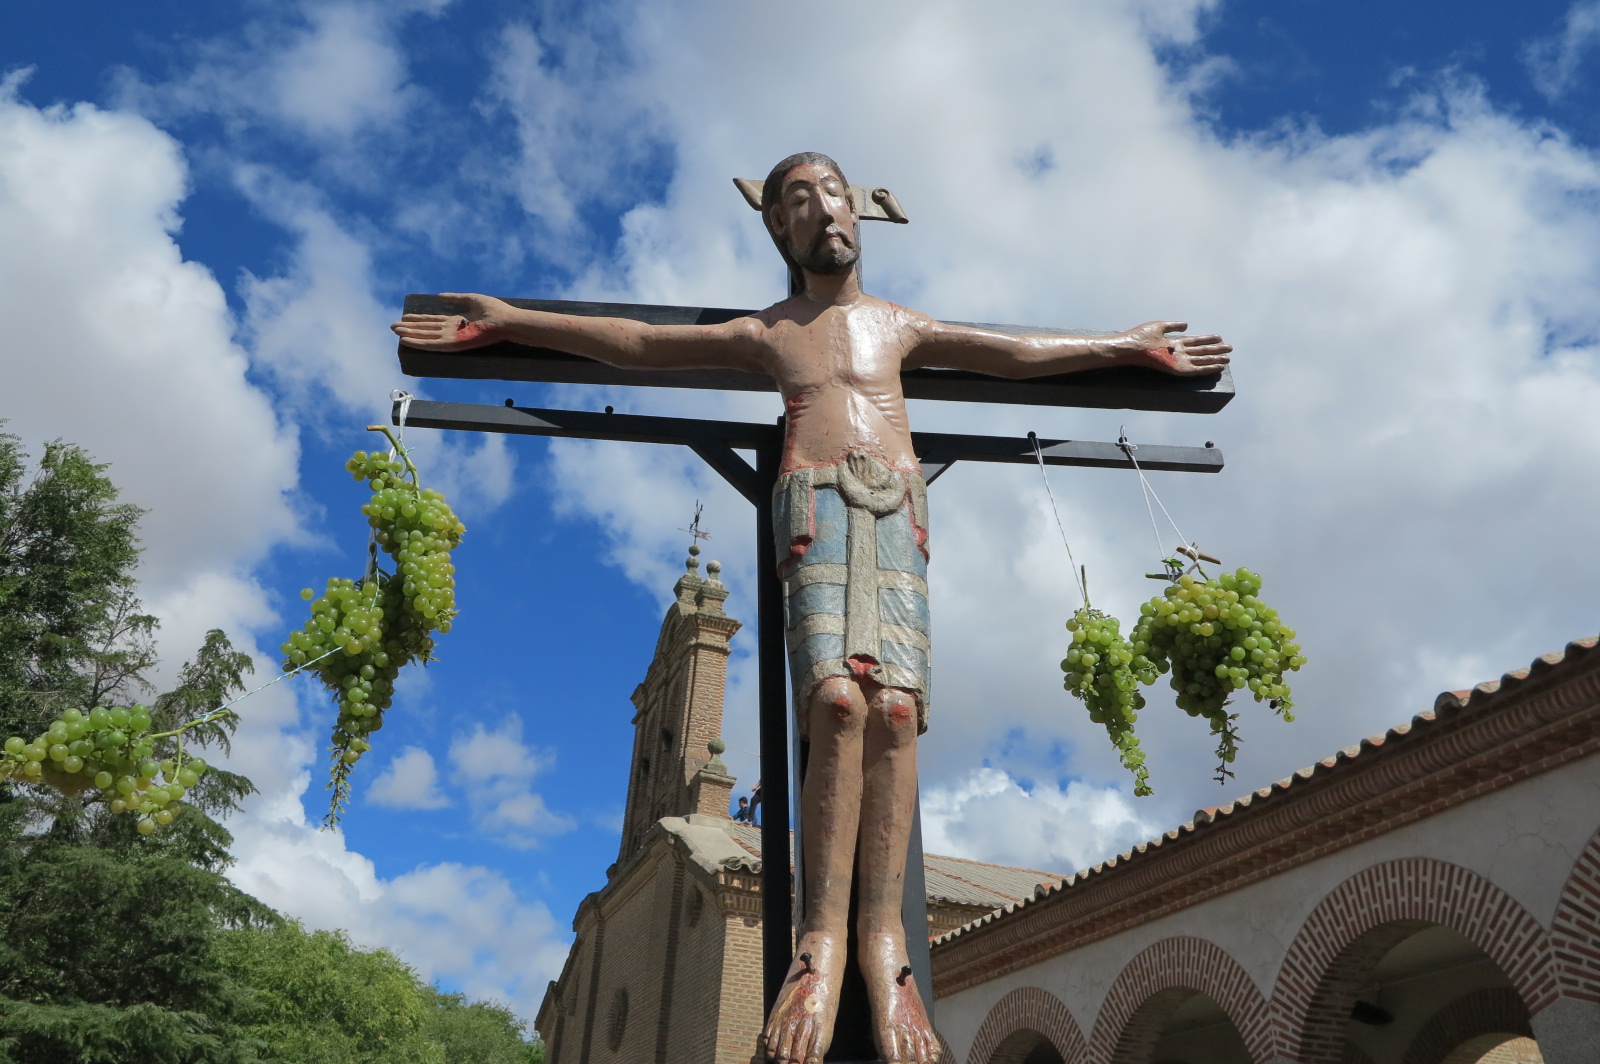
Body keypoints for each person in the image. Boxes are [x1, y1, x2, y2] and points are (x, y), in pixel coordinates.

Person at [392, 152, 1230, 1064]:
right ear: (780, 230)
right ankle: (819, 946)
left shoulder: (899, 326)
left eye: (833, 192)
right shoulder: (771, 331)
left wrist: (1121, 347)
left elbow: (1016, 356)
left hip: (897, 500)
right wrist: (515, 322)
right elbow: (636, 339)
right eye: (799, 200)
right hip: (817, 503)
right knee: (836, 702)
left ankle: (888, 948)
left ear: (859, 215)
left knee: (899, 712)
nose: (822, 210)